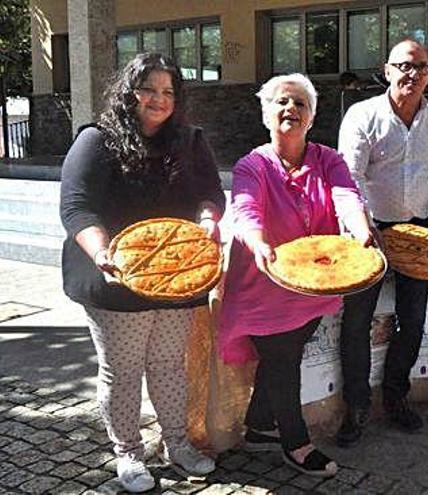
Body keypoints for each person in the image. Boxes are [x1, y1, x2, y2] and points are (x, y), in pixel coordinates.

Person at [59, 53, 222, 493]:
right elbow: (77, 206)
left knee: (169, 366)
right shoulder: (97, 140)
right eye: (149, 88)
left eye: (168, 91)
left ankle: (177, 444)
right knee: (124, 369)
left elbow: (210, 193)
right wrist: (101, 253)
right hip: (114, 276)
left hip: (177, 276)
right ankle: (128, 453)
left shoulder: (190, 140)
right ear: (130, 91)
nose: (159, 99)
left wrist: (208, 220)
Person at [217, 73, 373, 476]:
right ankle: (296, 442)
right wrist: (257, 241)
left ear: (311, 116)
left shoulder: (328, 159)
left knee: (286, 352)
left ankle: (257, 426)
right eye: (282, 102)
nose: (291, 109)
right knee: (283, 360)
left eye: (300, 103)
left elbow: (346, 195)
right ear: (267, 114)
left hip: (313, 282)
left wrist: (358, 228)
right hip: (262, 280)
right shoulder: (253, 164)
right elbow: (245, 209)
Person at [335, 39, 428, 446]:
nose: (412, 74)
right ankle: (356, 407)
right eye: (404, 66)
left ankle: (395, 397)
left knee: (415, 320)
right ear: (387, 71)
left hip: (419, 232)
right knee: (357, 323)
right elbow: (347, 180)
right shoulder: (362, 115)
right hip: (367, 232)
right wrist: (362, 227)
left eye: (421, 67)